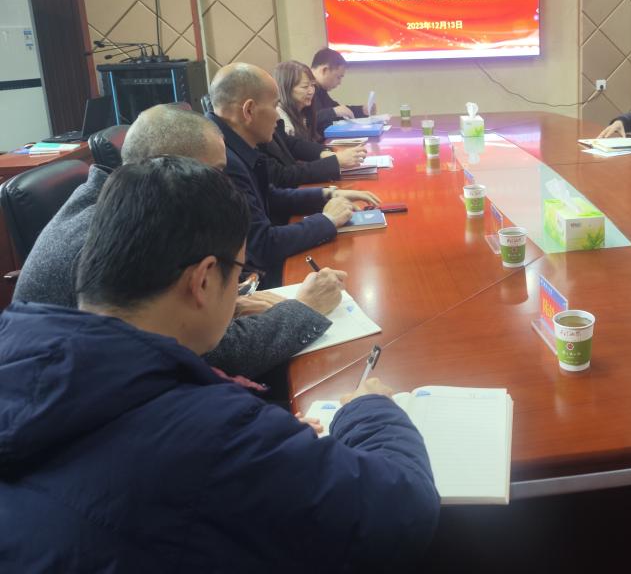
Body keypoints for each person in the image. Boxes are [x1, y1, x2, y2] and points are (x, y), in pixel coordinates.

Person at [0, 156, 440, 571]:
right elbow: (404, 512)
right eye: (239, 272)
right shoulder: (216, 436)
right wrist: (368, 411)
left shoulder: (21, 357)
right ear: (205, 278)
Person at [13, 104, 345, 380]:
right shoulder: (117, 234)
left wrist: (234, 303)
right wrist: (304, 309)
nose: (225, 185)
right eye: (215, 172)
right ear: (169, 168)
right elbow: (205, 351)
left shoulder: (128, 203)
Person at [208, 63, 380, 287]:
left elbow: (268, 196)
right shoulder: (220, 159)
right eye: (274, 106)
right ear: (249, 111)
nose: (278, 117)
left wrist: (328, 194)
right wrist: (327, 220)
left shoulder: (232, 142)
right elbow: (261, 246)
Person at [262, 59, 367, 188]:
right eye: (305, 87)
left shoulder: (304, 112)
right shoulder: (280, 120)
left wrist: (329, 154)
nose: (311, 91)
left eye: (312, 85)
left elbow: (293, 144)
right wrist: (334, 160)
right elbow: (286, 174)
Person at [310, 47, 375, 137]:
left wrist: (362, 110)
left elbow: (338, 109)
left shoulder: (320, 89)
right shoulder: (309, 89)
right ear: (325, 70)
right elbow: (308, 120)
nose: (339, 82)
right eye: (338, 77)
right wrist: (333, 112)